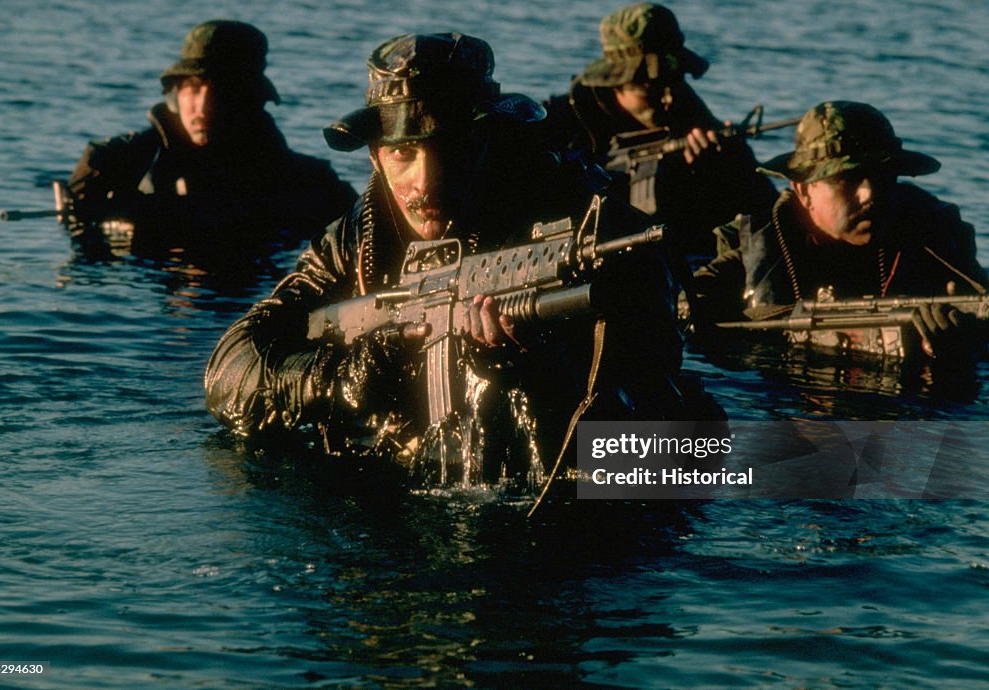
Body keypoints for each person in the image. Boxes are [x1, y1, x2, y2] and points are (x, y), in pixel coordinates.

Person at [204, 33, 711, 488]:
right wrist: (336, 378)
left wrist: (538, 372)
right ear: (376, 154)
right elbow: (228, 371)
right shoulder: (357, 240)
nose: (424, 184)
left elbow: (662, 439)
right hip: (389, 499)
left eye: (448, 149)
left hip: (558, 520)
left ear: (490, 138)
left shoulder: (595, 232)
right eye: (403, 153)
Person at [694, 100, 987, 368]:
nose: (869, 193)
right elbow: (682, 314)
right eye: (846, 179)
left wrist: (956, 353)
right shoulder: (761, 248)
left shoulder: (933, 240)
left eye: (882, 176)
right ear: (804, 190)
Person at [65, 20, 357, 262]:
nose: (202, 107)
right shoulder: (136, 160)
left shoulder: (309, 183)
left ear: (249, 100)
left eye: (219, 91)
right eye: (192, 90)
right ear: (176, 96)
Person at [542, 3, 777, 261]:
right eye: (649, 89)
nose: (667, 99)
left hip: (677, 257)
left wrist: (717, 170)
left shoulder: (688, 110)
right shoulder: (561, 121)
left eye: (673, 82)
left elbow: (765, 209)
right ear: (617, 83)